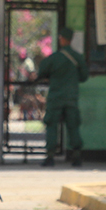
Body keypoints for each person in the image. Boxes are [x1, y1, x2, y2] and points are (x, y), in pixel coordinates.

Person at [37, 27, 89, 167]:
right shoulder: (77, 57)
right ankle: (77, 157)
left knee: (52, 125)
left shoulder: (54, 58)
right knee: (73, 126)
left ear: (62, 38)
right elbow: (84, 76)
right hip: (71, 97)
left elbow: (41, 71)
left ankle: (50, 157)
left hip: (55, 97)